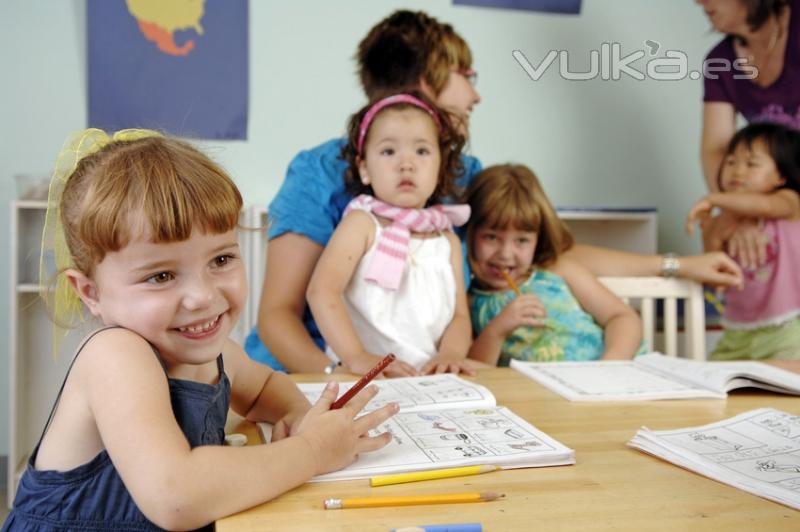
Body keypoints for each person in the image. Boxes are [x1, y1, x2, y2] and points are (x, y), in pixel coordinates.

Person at [248, 9, 744, 374]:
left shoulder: (462, 176)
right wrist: (338, 381)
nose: (476, 94)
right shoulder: (319, 170)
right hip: (314, 374)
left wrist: (676, 265)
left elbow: (552, 253)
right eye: (467, 76)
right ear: (428, 79)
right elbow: (277, 315)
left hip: (421, 377)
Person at [3, 129, 397, 531]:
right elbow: (177, 497)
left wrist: (298, 415)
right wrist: (312, 450)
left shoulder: (218, 351)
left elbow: (263, 389)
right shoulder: (115, 355)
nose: (202, 296)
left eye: (222, 258)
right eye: (160, 276)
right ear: (91, 293)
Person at [307, 92, 474, 377]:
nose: (406, 163)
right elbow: (322, 292)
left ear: (441, 166)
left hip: (427, 380)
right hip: (365, 378)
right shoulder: (362, 224)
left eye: (422, 151)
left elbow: (459, 316)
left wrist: (450, 354)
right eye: (388, 151)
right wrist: (357, 357)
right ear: (364, 169)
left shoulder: (447, 240)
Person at [465, 165, 643, 366]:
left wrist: (610, 364)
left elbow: (621, 317)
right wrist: (497, 330)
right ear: (469, 234)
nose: (505, 254)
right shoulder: (469, 302)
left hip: (618, 371)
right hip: (546, 394)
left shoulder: (557, 271)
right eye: (491, 237)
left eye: (521, 241)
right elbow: (477, 371)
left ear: (538, 239)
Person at [686, 123, 800, 360]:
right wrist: (713, 231)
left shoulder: (789, 201)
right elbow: (713, 274)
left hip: (788, 329)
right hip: (737, 332)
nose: (737, 171)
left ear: (781, 175)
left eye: (751, 164)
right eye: (731, 162)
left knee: (783, 388)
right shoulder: (724, 219)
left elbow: (765, 206)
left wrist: (714, 199)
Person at [698, 0, 797, 267]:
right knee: (719, 231)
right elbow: (716, 149)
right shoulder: (721, 60)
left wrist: (757, 208)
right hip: (778, 194)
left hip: (789, 197)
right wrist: (736, 212)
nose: (698, 2)